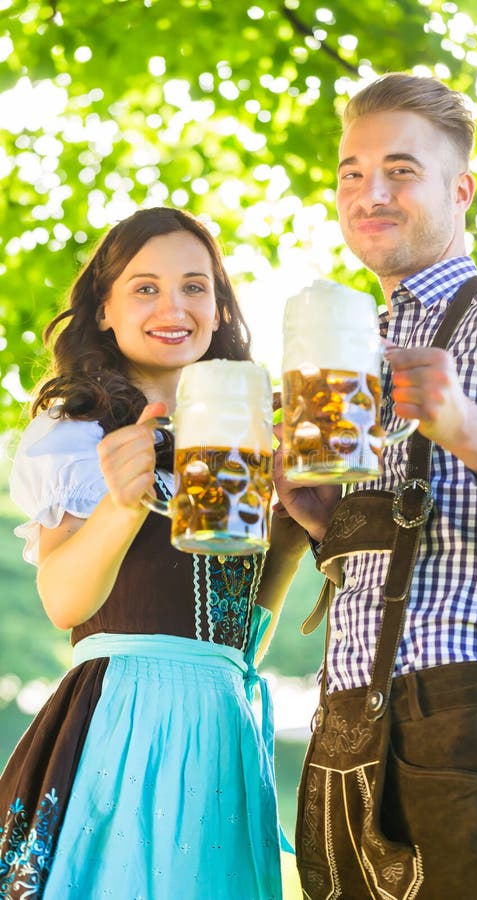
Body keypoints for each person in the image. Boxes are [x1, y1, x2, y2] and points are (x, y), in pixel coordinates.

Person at [275, 73, 477, 898]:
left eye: (401, 169)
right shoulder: (351, 345)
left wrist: (470, 429)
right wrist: (322, 525)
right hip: (346, 727)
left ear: (462, 188)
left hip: (467, 722)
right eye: (351, 172)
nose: (369, 192)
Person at [0, 206, 307, 899]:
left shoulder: (242, 436)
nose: (174, 306)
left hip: (224, 717)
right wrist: (123, 498)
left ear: (221, 307)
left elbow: (237, 642)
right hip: (128, 718)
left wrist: (287, 533)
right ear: (103, 311)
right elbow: (63, 603)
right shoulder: (78, 429)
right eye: (146, 287)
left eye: (196, 287)